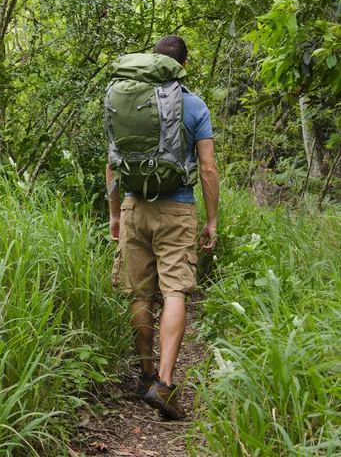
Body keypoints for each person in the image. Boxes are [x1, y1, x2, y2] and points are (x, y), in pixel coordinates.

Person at [106, 35, 219, 420]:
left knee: (140, 294)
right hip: (177, 208)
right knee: (175, 290)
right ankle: (165, 385)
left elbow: (112, 162)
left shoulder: (124, 98)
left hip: (134, 205)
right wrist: (211, 219)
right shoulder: (194, 104)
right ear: (181, 67)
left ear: (151, 62)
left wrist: (115, 213)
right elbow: (206, 167)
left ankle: (144, 375)